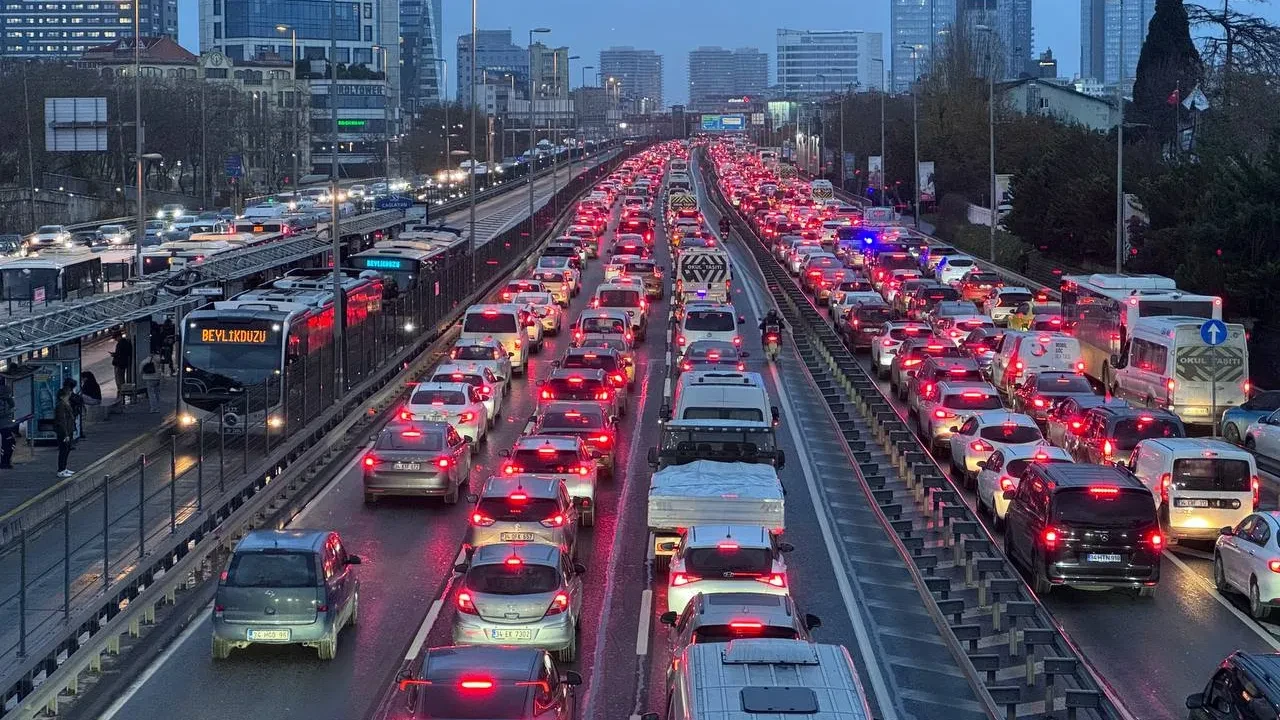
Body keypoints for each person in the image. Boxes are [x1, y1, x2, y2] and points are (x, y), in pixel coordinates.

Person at [54, 388, 75, 477]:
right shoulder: (61, 406)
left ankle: (64, 468)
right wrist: (66, 434)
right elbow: (62, 420)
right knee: (63, 450)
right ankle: (61, 469)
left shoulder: (66, 404)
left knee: (67, 449)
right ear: (62, 397)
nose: (68, 397)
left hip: (69, 430)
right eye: (66, 396)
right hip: (63, 431)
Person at [109, 333, 133, 405]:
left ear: (119, 336)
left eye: (116, 338)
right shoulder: (125, 343)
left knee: (119, 380)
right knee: (120, 379)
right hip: (122, 364)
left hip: (119, 364)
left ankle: (121, 395)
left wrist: (114, 354)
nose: (115, 339)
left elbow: (120, 354)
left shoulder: (121, 344)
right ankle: (121, 394)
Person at [0, 382, 16, 470]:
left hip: (4, 424)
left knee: (7, 442)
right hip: (4, 424)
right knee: (10, 442)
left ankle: (4, 461)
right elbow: (11, 406)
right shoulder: (5, 399)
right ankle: (4, 462)